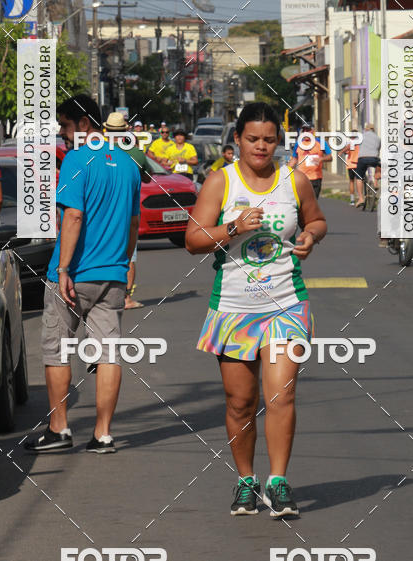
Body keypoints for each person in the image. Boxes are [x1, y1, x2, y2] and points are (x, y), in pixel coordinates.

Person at [186, 103, 327, 517]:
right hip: (232, 308)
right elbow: (193, 240)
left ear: (277, 143)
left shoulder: (294, 180)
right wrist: (233, 228)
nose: (261, 147)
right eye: (253, 139)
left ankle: (279, 483)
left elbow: (317, 220)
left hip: (286, 302)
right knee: (239, 402)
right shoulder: (220, 182)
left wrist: (310, 237)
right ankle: (246, 481)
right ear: (238, 140)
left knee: (281, 395)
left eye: (268, 140)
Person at [25, 94, 141, 455]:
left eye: (65, 125)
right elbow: (134, 224)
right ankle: (103, 434)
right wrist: (122, 261)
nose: (62, 133)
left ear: (84, 124)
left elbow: (72, 216)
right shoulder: (127, 164)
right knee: (108, 353)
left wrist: (62, 269)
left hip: (75, 275)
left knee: (58, 348)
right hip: (113, 275)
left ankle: (59, 428)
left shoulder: (76, 159)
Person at [103, 112, 153, 310]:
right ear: (126, 130)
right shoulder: (135, 152)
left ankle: (105, 295)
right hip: (127, 210)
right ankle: (125, 297)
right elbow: (149, 177)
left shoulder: (97, 151)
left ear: (106, 131)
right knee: (129, 255)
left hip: (102, 210)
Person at [289, 125, 332, 199]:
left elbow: (330, 157)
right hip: (302, 179)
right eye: (304, 130)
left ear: (313, 131)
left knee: (313, 203)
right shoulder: (298, 144)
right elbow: (293, 160)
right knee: (302, 203)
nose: (305, 132)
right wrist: (284, 171)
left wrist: (321, 159)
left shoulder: (321, 142)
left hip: (316, 178)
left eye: (307, 130)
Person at [354, 123, 381, 208]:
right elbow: (378, 149)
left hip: (362, 158)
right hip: (374, 158)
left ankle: (361, 198)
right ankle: (376, 183)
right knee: (379, 165)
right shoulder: (378, 138)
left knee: (359, 177)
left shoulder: (361, 136)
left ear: (366, 129)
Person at [342, 138, 360, 205]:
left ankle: (352, 200)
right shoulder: (360, 143)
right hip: (358, 164)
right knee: (359, 181)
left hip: (350, 165)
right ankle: (360, 197)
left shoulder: (349, 143)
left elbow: (346, 152)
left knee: (351, 181)